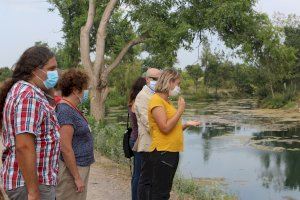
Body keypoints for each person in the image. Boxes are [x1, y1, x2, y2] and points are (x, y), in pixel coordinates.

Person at [0, 46, 60, 200]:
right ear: (35, 70)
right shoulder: (29, 96)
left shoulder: (27, 91)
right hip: (29, 185)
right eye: (51, 68)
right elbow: (24, 146)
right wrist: (33, 192)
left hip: (30, 183)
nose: (56, 73)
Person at [148, 68, 200, 200]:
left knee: (165, 190)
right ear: (169, 82)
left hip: (171, 151)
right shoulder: (156, 101)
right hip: (163, 152)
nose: (179, 87)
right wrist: (180, 111)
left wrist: (186, 124)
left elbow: (172, 128)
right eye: (178, 83)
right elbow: (165, 128)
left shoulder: (167, 101)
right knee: (160, 192)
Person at [55, 69, 94, 200]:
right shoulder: (65, 111)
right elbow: (65, 148)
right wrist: (77, 177)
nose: (86, 93)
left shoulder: (71, 108)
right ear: (75, 90)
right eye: (84, 89)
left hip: (79, 166)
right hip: (72, 171)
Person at [134, 68, 162, 200]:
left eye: (159, 79)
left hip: (158, 144)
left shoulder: (157, 95)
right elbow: (148, 123)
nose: (156, 82)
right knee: (146, 180)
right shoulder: (142, 96)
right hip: (148, 144)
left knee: (154, 180)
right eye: (154, 79)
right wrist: (166, 129)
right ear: (147, 79)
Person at [128, 77, 147, 200]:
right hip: (138, 141)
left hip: (134, 139)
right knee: (138, 174)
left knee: (137, 173)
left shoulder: (132, 101)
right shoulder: (137, 103)